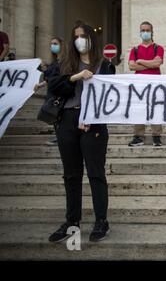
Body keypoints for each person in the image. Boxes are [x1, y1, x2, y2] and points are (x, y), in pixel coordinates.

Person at [47, 22, 115, 243]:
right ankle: (72, 221)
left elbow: (110, 96)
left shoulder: (103, 65)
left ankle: (101, 221)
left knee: (96, 173)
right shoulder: (66, 63)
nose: (79, 39)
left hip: (93, 124)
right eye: (75, 36)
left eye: (83, 35)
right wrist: (75, 77)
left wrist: (92, 117)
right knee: (71, 174)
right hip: (67, 120)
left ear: (91, 38)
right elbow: (54, 86)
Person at [128, 21, 164, 147]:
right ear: (139, 32)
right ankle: (138, 137)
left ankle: (156, 136)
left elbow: (157, 64)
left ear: (152, 32)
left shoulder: (158, 48)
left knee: (156, 108)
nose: (145, 33)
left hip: (155, 83)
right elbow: (132, 66)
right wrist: (150, 64)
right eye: (142, 30)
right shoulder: (135, 49)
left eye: (147, 30)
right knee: (139, 109)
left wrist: (141, 61)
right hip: (139, 84)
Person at [34, 37, 66, 145]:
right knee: (53, 115)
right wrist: (40, 84)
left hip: (58, 92)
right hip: (51, 92)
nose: (53, 46)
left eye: (55, 43)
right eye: (51, 44)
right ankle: (59, 136)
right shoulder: (55, 61)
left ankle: (60, 137)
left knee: (58, 115)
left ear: (61, 45)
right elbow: (49, 77)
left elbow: (57, 77)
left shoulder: (64, 60)